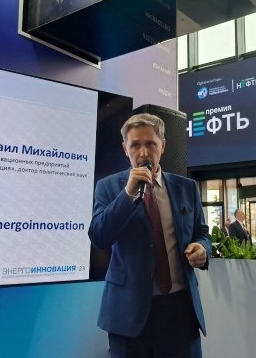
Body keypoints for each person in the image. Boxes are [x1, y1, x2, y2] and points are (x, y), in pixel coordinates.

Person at [88, 113, 211, 358]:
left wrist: (202, 248)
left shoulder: (186, 187)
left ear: (162, 146)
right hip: (128, 314)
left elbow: (202, 232)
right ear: (125, 149)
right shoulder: (108, 187)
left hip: (180, 312)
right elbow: (99, 236)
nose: (143, 153)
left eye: (150, 144)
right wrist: (128, 194)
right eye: (135, 145)